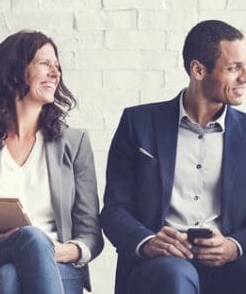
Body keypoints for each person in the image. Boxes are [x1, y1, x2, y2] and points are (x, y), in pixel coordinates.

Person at [0, 30, 103, 294]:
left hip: (57, 266)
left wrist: (59, 251)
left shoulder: (74, 144)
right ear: (15, 70)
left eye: (57, 66)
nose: (55, 73)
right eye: (45, 64)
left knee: (10, 276)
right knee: (28, 239)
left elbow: (90, 234)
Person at [101, 20, 246, 294]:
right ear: (198, 70)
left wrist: (233, 246)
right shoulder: (138, 123)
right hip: (163, 264)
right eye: (234, 68)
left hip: (231, 262)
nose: (244, 77)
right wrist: (147, 241)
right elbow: (114, 209)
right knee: (173, 277)